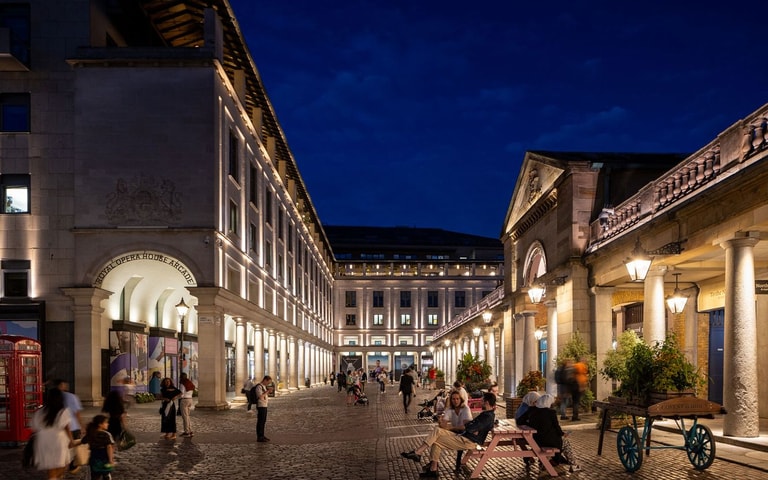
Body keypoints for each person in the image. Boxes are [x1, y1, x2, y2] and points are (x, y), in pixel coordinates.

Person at [400, 392, 497, 478]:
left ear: (487, 402)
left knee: (436, 440)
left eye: (482, 400)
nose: (481, 402)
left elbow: (471, 428)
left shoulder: (487, 416)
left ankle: (426, 462)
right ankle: (420, 455)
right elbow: (470, 426)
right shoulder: (487, 414)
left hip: (468, 441)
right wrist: (470, 425)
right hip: (464, 436)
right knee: (437, 431)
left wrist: (470, 426)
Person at [517, 393, 581, 472]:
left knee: (559, 442)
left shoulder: (532, 410)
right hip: (549, 441)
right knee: (565, 442)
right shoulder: (551, 412)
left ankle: (548, 462)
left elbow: (520, 421)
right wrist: (563, 434)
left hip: (536, 440)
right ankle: (573, 464)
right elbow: (556, 427)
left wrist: (531, 424)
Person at [31, 388, 74, 480]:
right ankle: (54, 478)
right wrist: (71, 440)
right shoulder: (63, 411)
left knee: (51, 464)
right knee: (62, 463)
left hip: (43, 439)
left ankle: (54, 477)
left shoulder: (40, 411)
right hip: (58, 438)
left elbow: (34, 427)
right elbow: (66, 427)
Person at [53, 379, 84, 474]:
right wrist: (81, 426)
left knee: (62, 449)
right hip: (73, 426)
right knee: (73, 448)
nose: (66, 386)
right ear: (61, 385)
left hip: (58, 429)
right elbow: (77, 413)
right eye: (65, 385)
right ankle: (71, 466)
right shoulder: (71, 396)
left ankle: (59, 469)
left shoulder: (52, 397)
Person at [82, 414, 116, 480]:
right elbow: (109, 447)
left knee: (95, 476)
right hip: (104, 458)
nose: (108, 424)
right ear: (100, 424)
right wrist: (111, 460)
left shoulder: (91, 433)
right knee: (106, 474)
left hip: (94, 458)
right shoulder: (106, 434)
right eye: (106, 422)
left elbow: (83, 441)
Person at [253, 375, 273, 442]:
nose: (268, 384)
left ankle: (262, 435)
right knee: (260, 422)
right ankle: (259, 436)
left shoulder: (264, 386)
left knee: (263, 421)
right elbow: (261, 396)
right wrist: (267, 391)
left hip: (264, 405)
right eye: (268, 382)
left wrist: (267, 392)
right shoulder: (259, 387)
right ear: (265, 380)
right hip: (261, 406)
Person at [179, 372, 195, 437]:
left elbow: (181, 393)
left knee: (185, 417)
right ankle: (190, 431)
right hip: (190, 399)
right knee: (187, 416)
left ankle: (186, 432)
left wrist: (176, 396)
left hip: (184, 400)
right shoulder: (190, 382)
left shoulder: (182, 384)